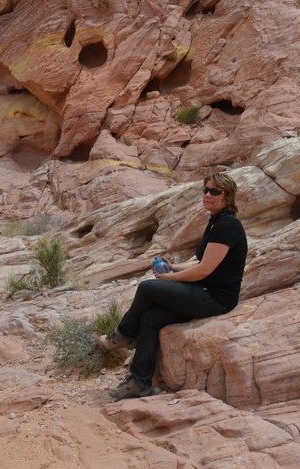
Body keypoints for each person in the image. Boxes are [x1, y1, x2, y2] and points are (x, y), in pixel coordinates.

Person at [100, 171, 248, 400]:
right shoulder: (216, 221)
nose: (207, 195)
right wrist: (174, 267)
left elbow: (204, 271)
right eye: (206, 190)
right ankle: (140, 382)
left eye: (214, 191)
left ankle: (123, 335)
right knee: (150, 319)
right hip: (204, 290)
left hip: (216, 298)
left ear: (227, 197)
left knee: (148, 288)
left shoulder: (228, 226)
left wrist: (171, 279)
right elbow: (204, 264)